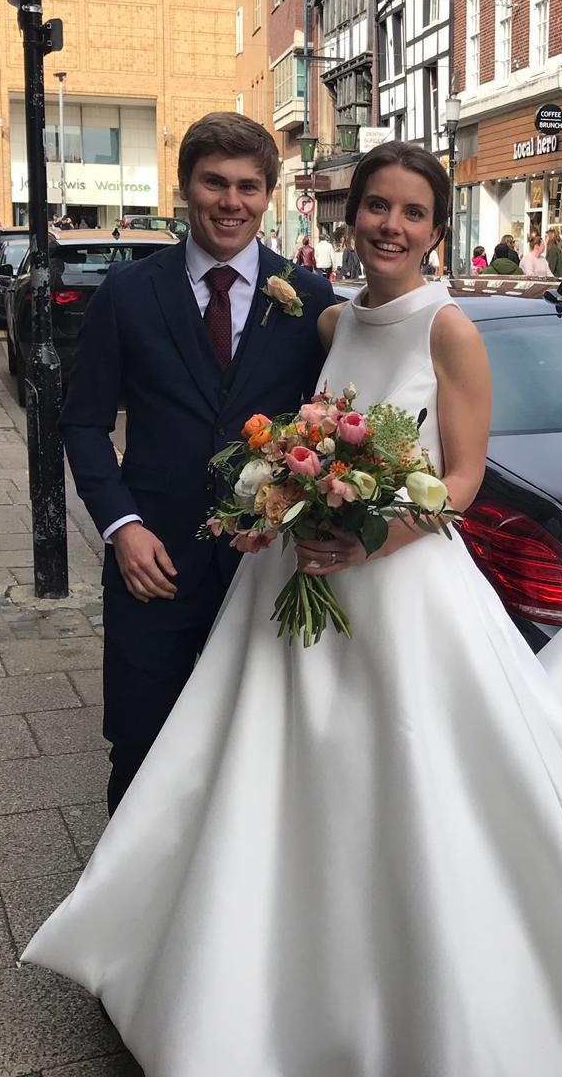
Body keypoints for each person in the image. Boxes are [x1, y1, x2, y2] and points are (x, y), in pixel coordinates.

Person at [23, 140, 562, 1074]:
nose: (390, 225)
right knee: (263, 771)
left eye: (412, 212)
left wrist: (373, 537)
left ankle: (408, 988)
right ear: (349, 216)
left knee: (409, 782)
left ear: (439, 231)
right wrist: (282, 500)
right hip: (296, 579)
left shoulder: (451, 331)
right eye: (376, 207)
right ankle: (247, 965)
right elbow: (294, 432)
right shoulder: (330, 322)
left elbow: (465, 480)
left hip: (402, 590)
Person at [60, 112, 333, 812]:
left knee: (253, 750)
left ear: (269, 194)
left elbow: (332, 428)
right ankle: (126, 908)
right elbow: (85, 423)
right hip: (152, 563)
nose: (230, 202)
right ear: (186, 187)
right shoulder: (127, 293)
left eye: (248, 186)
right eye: (214, 182)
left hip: (261, 568)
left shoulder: (309, 302)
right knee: (141, 746)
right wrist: (122, 526)